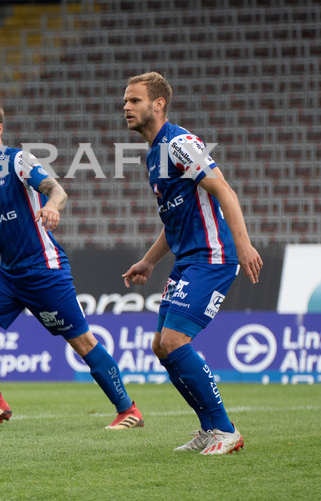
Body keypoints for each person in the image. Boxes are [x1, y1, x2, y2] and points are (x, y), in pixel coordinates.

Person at [0, 99, 143, 431]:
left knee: (82, 342)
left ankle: (129, 411)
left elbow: (56, 189)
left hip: (43, 270)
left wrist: (52, 206)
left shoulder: (17, 160)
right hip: (9, 274)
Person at [121, 71, 262, 455]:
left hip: (213, 256)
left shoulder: (179, 143)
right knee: (160, 346)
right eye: (125, 102)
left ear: (158, 104)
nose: (126, 107)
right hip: (187, 259)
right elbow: (174, 220)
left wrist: (244, 244)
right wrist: (149, 263)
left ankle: (226, 429)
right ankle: (208, 429)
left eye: (134, 101)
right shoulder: (155, 154)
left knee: (173, 340)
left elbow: (223, 189)